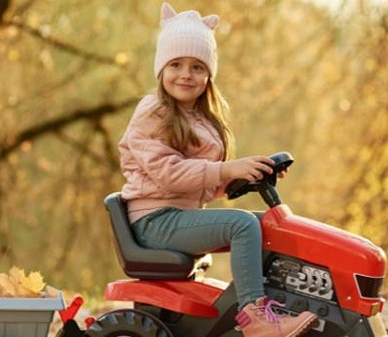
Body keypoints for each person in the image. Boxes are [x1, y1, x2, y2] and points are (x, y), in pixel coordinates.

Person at [118, 3, 317, 337]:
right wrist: (226, 169)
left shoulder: (202, 118)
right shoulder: (153, 111)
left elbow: (204, 183)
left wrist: (248, 174)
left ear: (209, 74)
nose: (186, 74)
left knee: (264, 224)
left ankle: (281, 303)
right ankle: (255, 317)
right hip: (154, 221)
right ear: (161, 68)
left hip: (178, 216)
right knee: (241, 225)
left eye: (197, 66)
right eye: (176, 64)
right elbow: (170, 174)